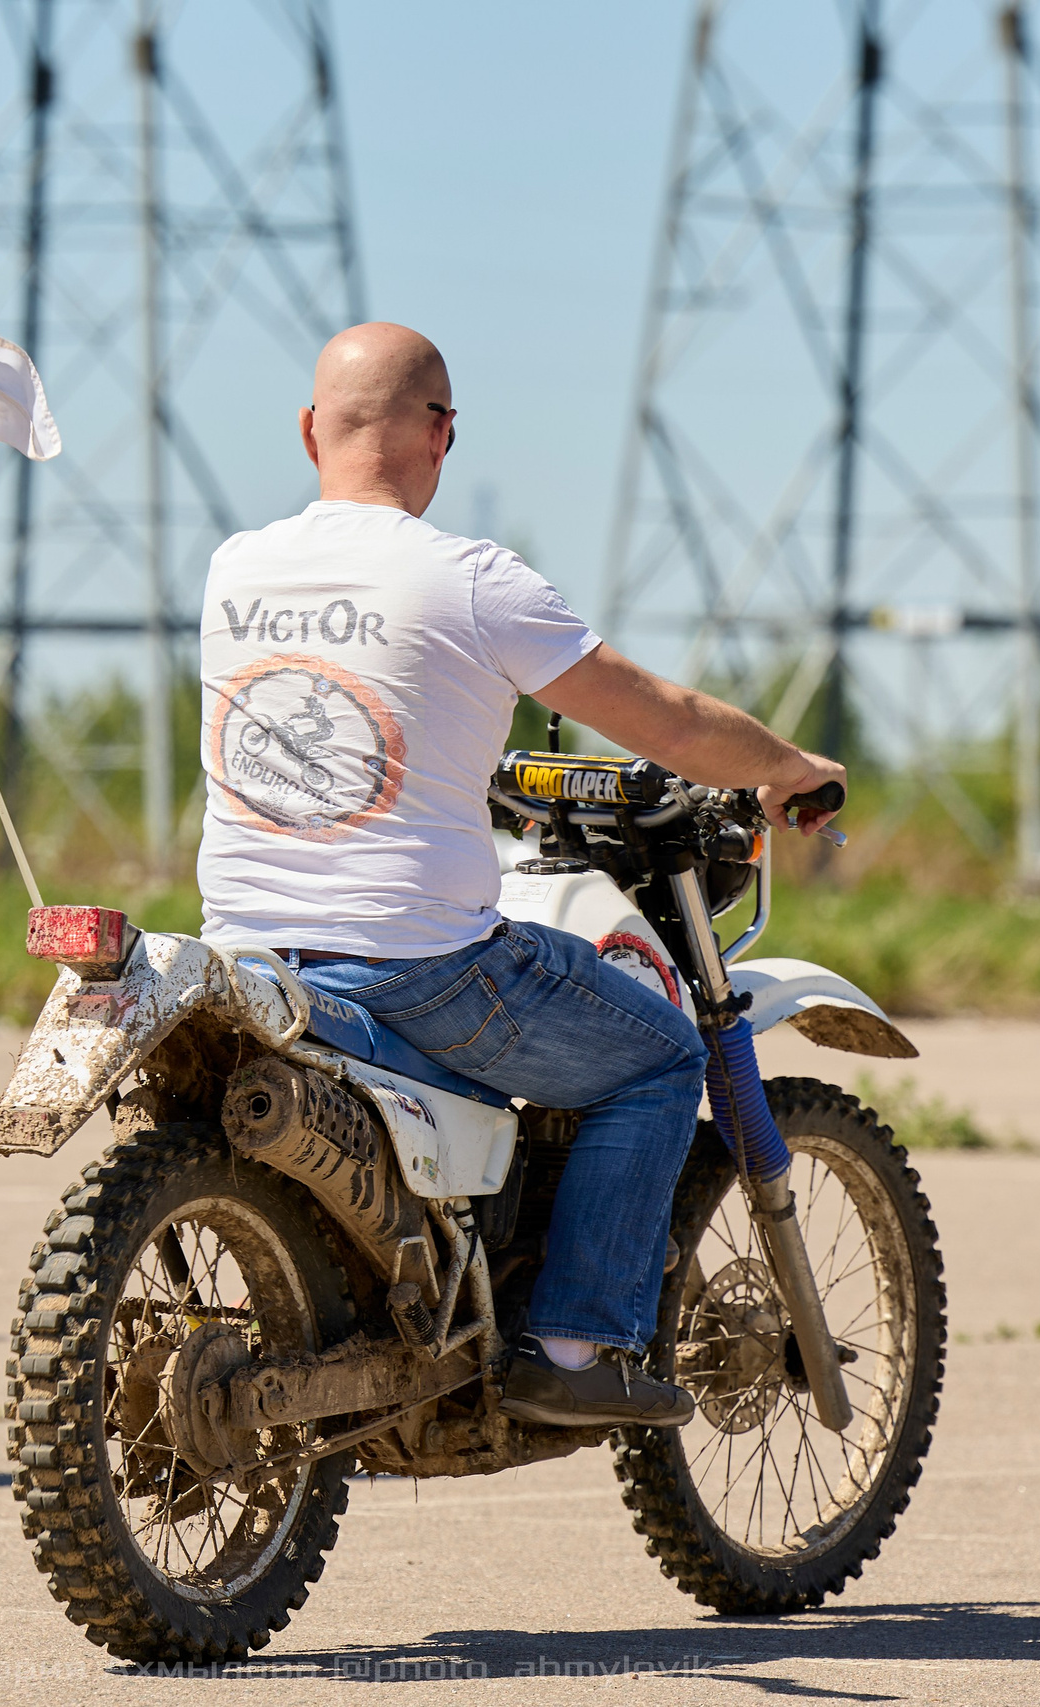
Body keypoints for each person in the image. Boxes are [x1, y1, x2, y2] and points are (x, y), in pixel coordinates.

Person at [196, 322, 846, 1428]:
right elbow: (671, 723)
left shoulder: (236, 567)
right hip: (416, 968)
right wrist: (788, 769)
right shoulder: (471, 581)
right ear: (441, 434)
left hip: (245, 955)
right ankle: (574, 1343)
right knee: (657, 1055)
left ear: (310, 432)